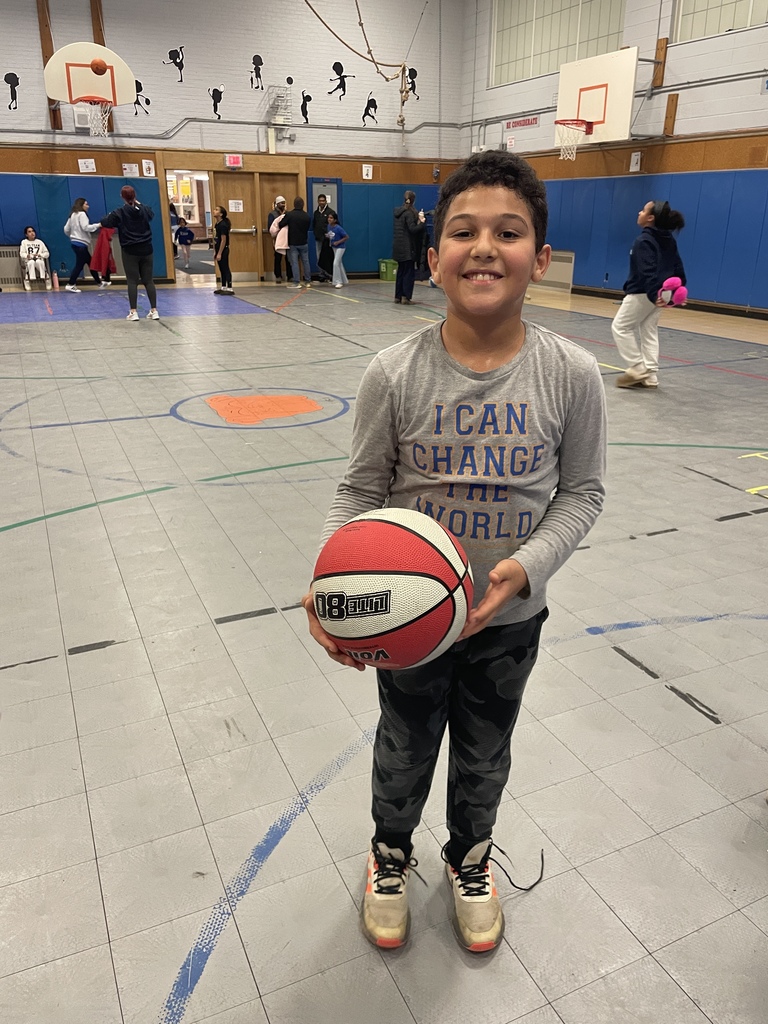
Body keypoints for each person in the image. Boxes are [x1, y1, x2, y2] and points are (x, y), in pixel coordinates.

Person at [303, 151, 607, 954]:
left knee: (485, 751)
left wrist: (523, 570)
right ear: (432, 255)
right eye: (461, 231)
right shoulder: (393, 373)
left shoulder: (572, 374)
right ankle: (390, 855)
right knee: (402, 746)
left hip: (511, 619)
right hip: (408, 622)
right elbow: (359, 490)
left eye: (508, 232)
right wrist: (328, 583)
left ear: (538, 259)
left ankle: (471, 857)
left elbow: (583, 495)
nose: (483, 246)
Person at [612, 200, 686, 389]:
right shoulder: (669, 240)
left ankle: (637, 368)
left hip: (643, 293)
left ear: (650, 218)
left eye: (643, 210)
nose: (639, 212)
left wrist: (654, 295)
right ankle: (650, 375)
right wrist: (678, 290)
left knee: (620, 327)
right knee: (648, 329)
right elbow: (678, 267)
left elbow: (648, 271)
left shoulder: (644, 241)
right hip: (662, 294)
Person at [100, 185, 159, 321]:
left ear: (122, 197)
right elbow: (151, 214)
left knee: (132, 281)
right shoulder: (144, 210)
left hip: (130, 250)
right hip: (147, 248)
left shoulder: (120, 212)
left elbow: (106, 222)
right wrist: (138, 203)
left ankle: (133, 312)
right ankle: (154, 310)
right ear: (135, 196)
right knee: (148, 280)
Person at [392, 190, 426, 304]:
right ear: (413, 200)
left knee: (401, 271)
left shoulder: (397, 212)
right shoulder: (409, 213)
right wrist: (421, 223)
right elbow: (412, 229)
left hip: (398, 246)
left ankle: (398, 296)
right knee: (408, 272)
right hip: (407, 247)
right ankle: (406, 296)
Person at [63, 198, 102, 292]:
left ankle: (99, 282)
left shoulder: (73, 215)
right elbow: (86, 227)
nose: (88, 206)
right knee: (80, 265)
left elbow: (66, 229)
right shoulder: (82, 214)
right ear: (81, 205)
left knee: (90, 262)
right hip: (81, 244)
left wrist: (73, 237)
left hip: (75, 243)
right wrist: (98, 225)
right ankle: (71, 284)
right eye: (86, 204)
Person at [283, 197, 312, 289]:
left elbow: (281, 224)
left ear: (294, 204)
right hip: (304, 242)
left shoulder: (290, 215)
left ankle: (296, 282)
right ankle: (308, 281)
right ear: (302, 205)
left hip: (293, 243)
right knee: (306, 262)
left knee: (294, 262)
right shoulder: (307, 216)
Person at [312, 194, 337, 282]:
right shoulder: (316, 213)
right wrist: (316, 234)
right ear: (318, 202)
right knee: (319, 257)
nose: (321, 202)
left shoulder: (330, 212)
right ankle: (321, 275)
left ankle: (329, 275)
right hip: (318, 239)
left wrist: (329, 235)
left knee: (328, 258)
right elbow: (314, 225)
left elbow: (335, 225)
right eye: (320, 201)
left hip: (327, 241)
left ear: (326, 201)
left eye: (323, 201)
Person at [267, 197, 292, 283]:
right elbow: (270, 228)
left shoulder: (288, 214)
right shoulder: (272, 214)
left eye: (284, 203)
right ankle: (278, 275)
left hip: (287, 238)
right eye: (281, 203)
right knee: (277, 258)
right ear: (277, 204)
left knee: (289, 258)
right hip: (277, 239)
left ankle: (290, 276)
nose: (283, 205)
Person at [19, 226, 51, 291]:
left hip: (39, 259)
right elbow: (21, 253)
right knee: (31, 262)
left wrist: (40, 255)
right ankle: (27, 280)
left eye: (33, 231)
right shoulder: (24, 242)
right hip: (29, 260)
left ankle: (46, 278)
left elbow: (47, 253)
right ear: (26, 234)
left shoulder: (40, 242)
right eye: (29, 232)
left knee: (39, 262)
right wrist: (27, 256)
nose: (32, 233)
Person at [212, 206, 234, 295]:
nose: (214, 211)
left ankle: (230, 287)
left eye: (216, 210)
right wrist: (215, 251)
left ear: (221, 214)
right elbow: (215, 238)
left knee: (225, 267)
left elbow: (223, 240)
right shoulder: (217, 224)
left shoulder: (223, 225)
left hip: (223, 249)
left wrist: (220, 253)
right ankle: (223, 286)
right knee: (221, 268)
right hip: (218, 249)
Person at [325, 213, 348, 289]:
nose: (329, 219)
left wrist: (338, 242)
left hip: (340, 247)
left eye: (331, 218)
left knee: (335, 263)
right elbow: (331, 235)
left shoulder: (338, 228)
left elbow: (346, 237)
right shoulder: (329, 226)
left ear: (335, 220)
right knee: (339, 263)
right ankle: (344, 280)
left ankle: (338, 281)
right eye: (328, 217)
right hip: (334, 247)